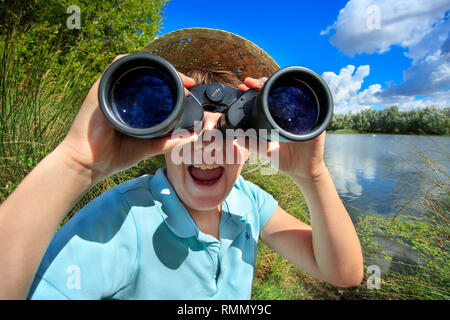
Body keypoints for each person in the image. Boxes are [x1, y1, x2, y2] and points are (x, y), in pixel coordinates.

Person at [0, 28, 363, 299]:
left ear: (256, 139)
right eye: (186, 126)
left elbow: (343, 272)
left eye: (231, 129)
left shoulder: (249, 202)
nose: (207, 141)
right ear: (156, 137)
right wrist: (76, 164)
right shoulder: (119, 219)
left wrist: (312, 174)